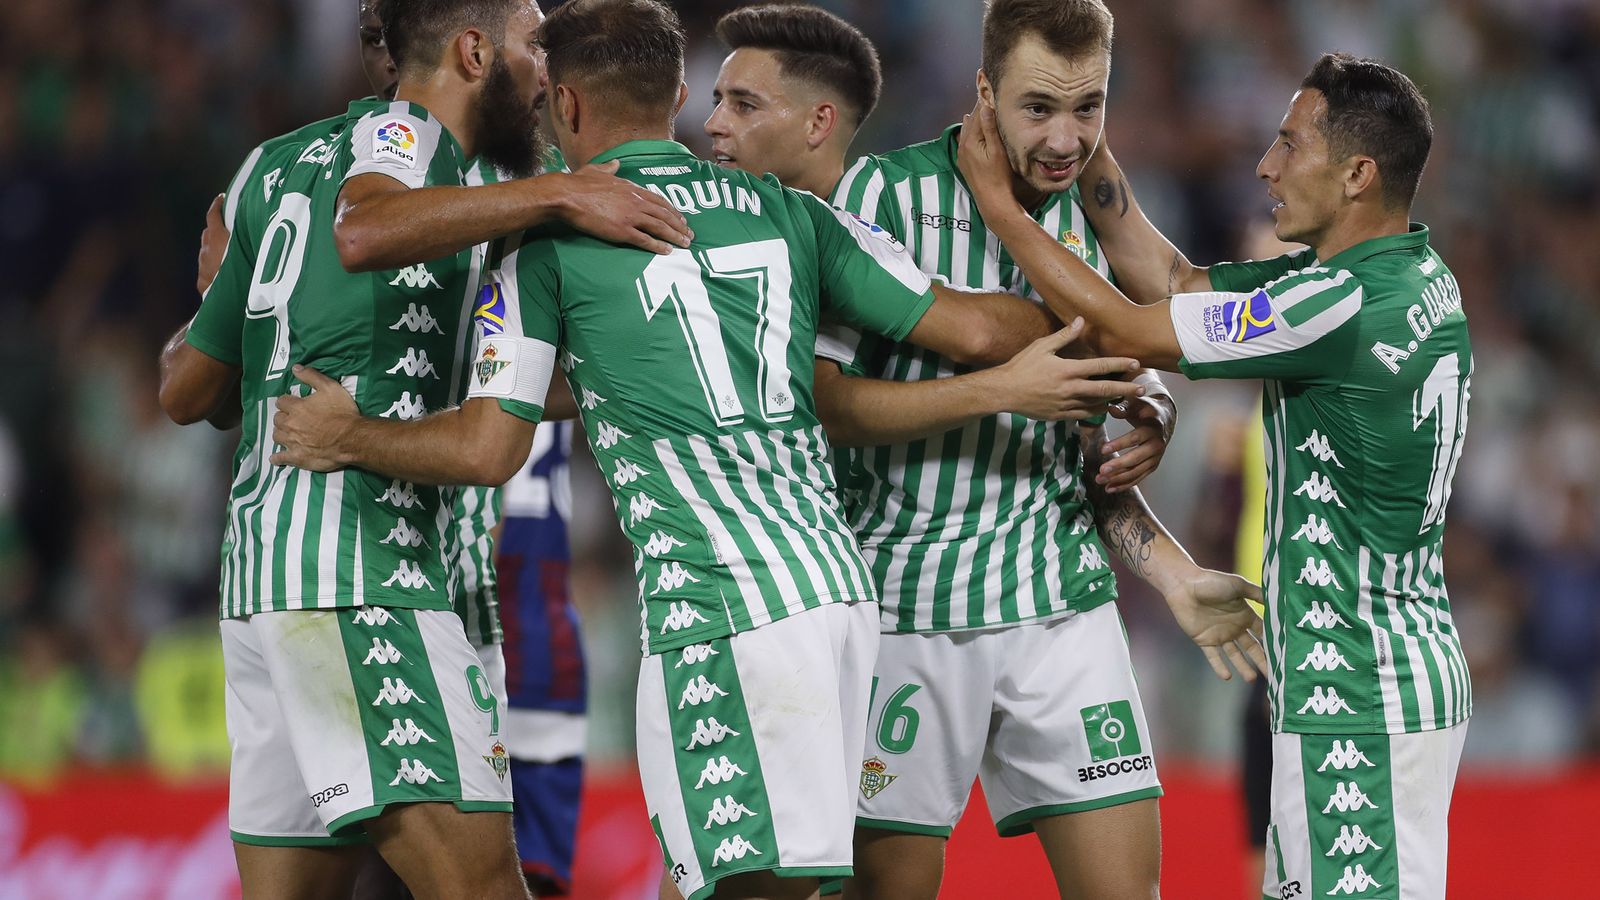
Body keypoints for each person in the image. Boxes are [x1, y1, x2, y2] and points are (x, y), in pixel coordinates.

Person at [265, 3, 1164, 898]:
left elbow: (488, 446)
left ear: (566, 107)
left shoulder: (549, 244)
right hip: (837, 600)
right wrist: (1094, 348)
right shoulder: (788, 213)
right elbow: (976, 326)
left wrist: (353, 436)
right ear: (683, 94)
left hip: (718, 610)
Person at [709, 3, 1264, 898]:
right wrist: (1011, 388)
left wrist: (1150, 439)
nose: (1066, 137)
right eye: (1038, 107)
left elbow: (1110, 390)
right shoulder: (881, 196)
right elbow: (824, 405)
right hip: (905, 608)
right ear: (983, 91)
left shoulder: (1090, 206)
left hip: (1061, 611)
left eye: (1090, 109)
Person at [154, 0, 691, 896]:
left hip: (264, 580)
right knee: (482, 886)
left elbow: (185, 388)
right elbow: (366, 228)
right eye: (532, 47)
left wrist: (243, 314)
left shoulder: (271, 167)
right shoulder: (415, 146)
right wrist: (562, 191)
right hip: (362, 574)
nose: (547, 75)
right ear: (474, 52)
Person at [958, 50, 1470, 900]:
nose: (1266, 166)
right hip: (1364, 670)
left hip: (1362, 692)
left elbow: (1128, 324)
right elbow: (1178, 283)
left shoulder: (1332, 306)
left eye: (1289, 144)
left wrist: (1003, 211)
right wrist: (1090, 144)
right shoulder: (1397, 277)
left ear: (1356, 174)